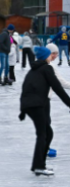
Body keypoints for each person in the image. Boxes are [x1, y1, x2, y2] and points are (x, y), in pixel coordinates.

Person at [19, 46, 70, 177]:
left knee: (47, 133)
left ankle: (39, 164)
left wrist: (23, 110)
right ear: (46, 56)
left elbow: (25, 88)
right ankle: (38, 166)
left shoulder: (33, 70)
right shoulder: (47, 68)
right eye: (50, 54)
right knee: (43, 134)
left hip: (31, 105)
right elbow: (58, 88)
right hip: (38, 105)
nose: (51, 57)